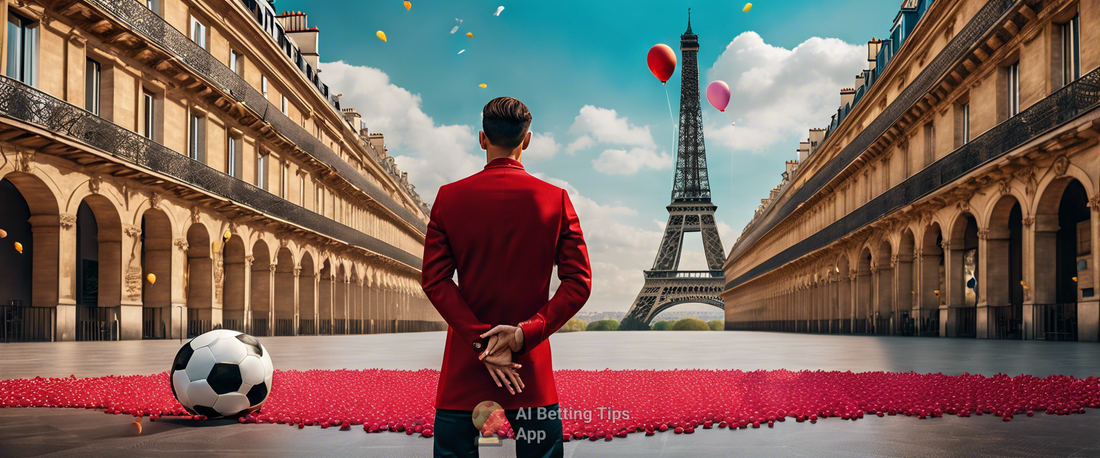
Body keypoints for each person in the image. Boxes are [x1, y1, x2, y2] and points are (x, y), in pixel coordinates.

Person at [422, 97, 592, 457]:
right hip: (529, 370)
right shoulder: (555, 199)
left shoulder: (448, 198)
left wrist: (481, 343)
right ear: (526, 140)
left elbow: (435, 281)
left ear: (482, 138)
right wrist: (520, 334)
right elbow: (578, 283)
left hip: (464, 371)